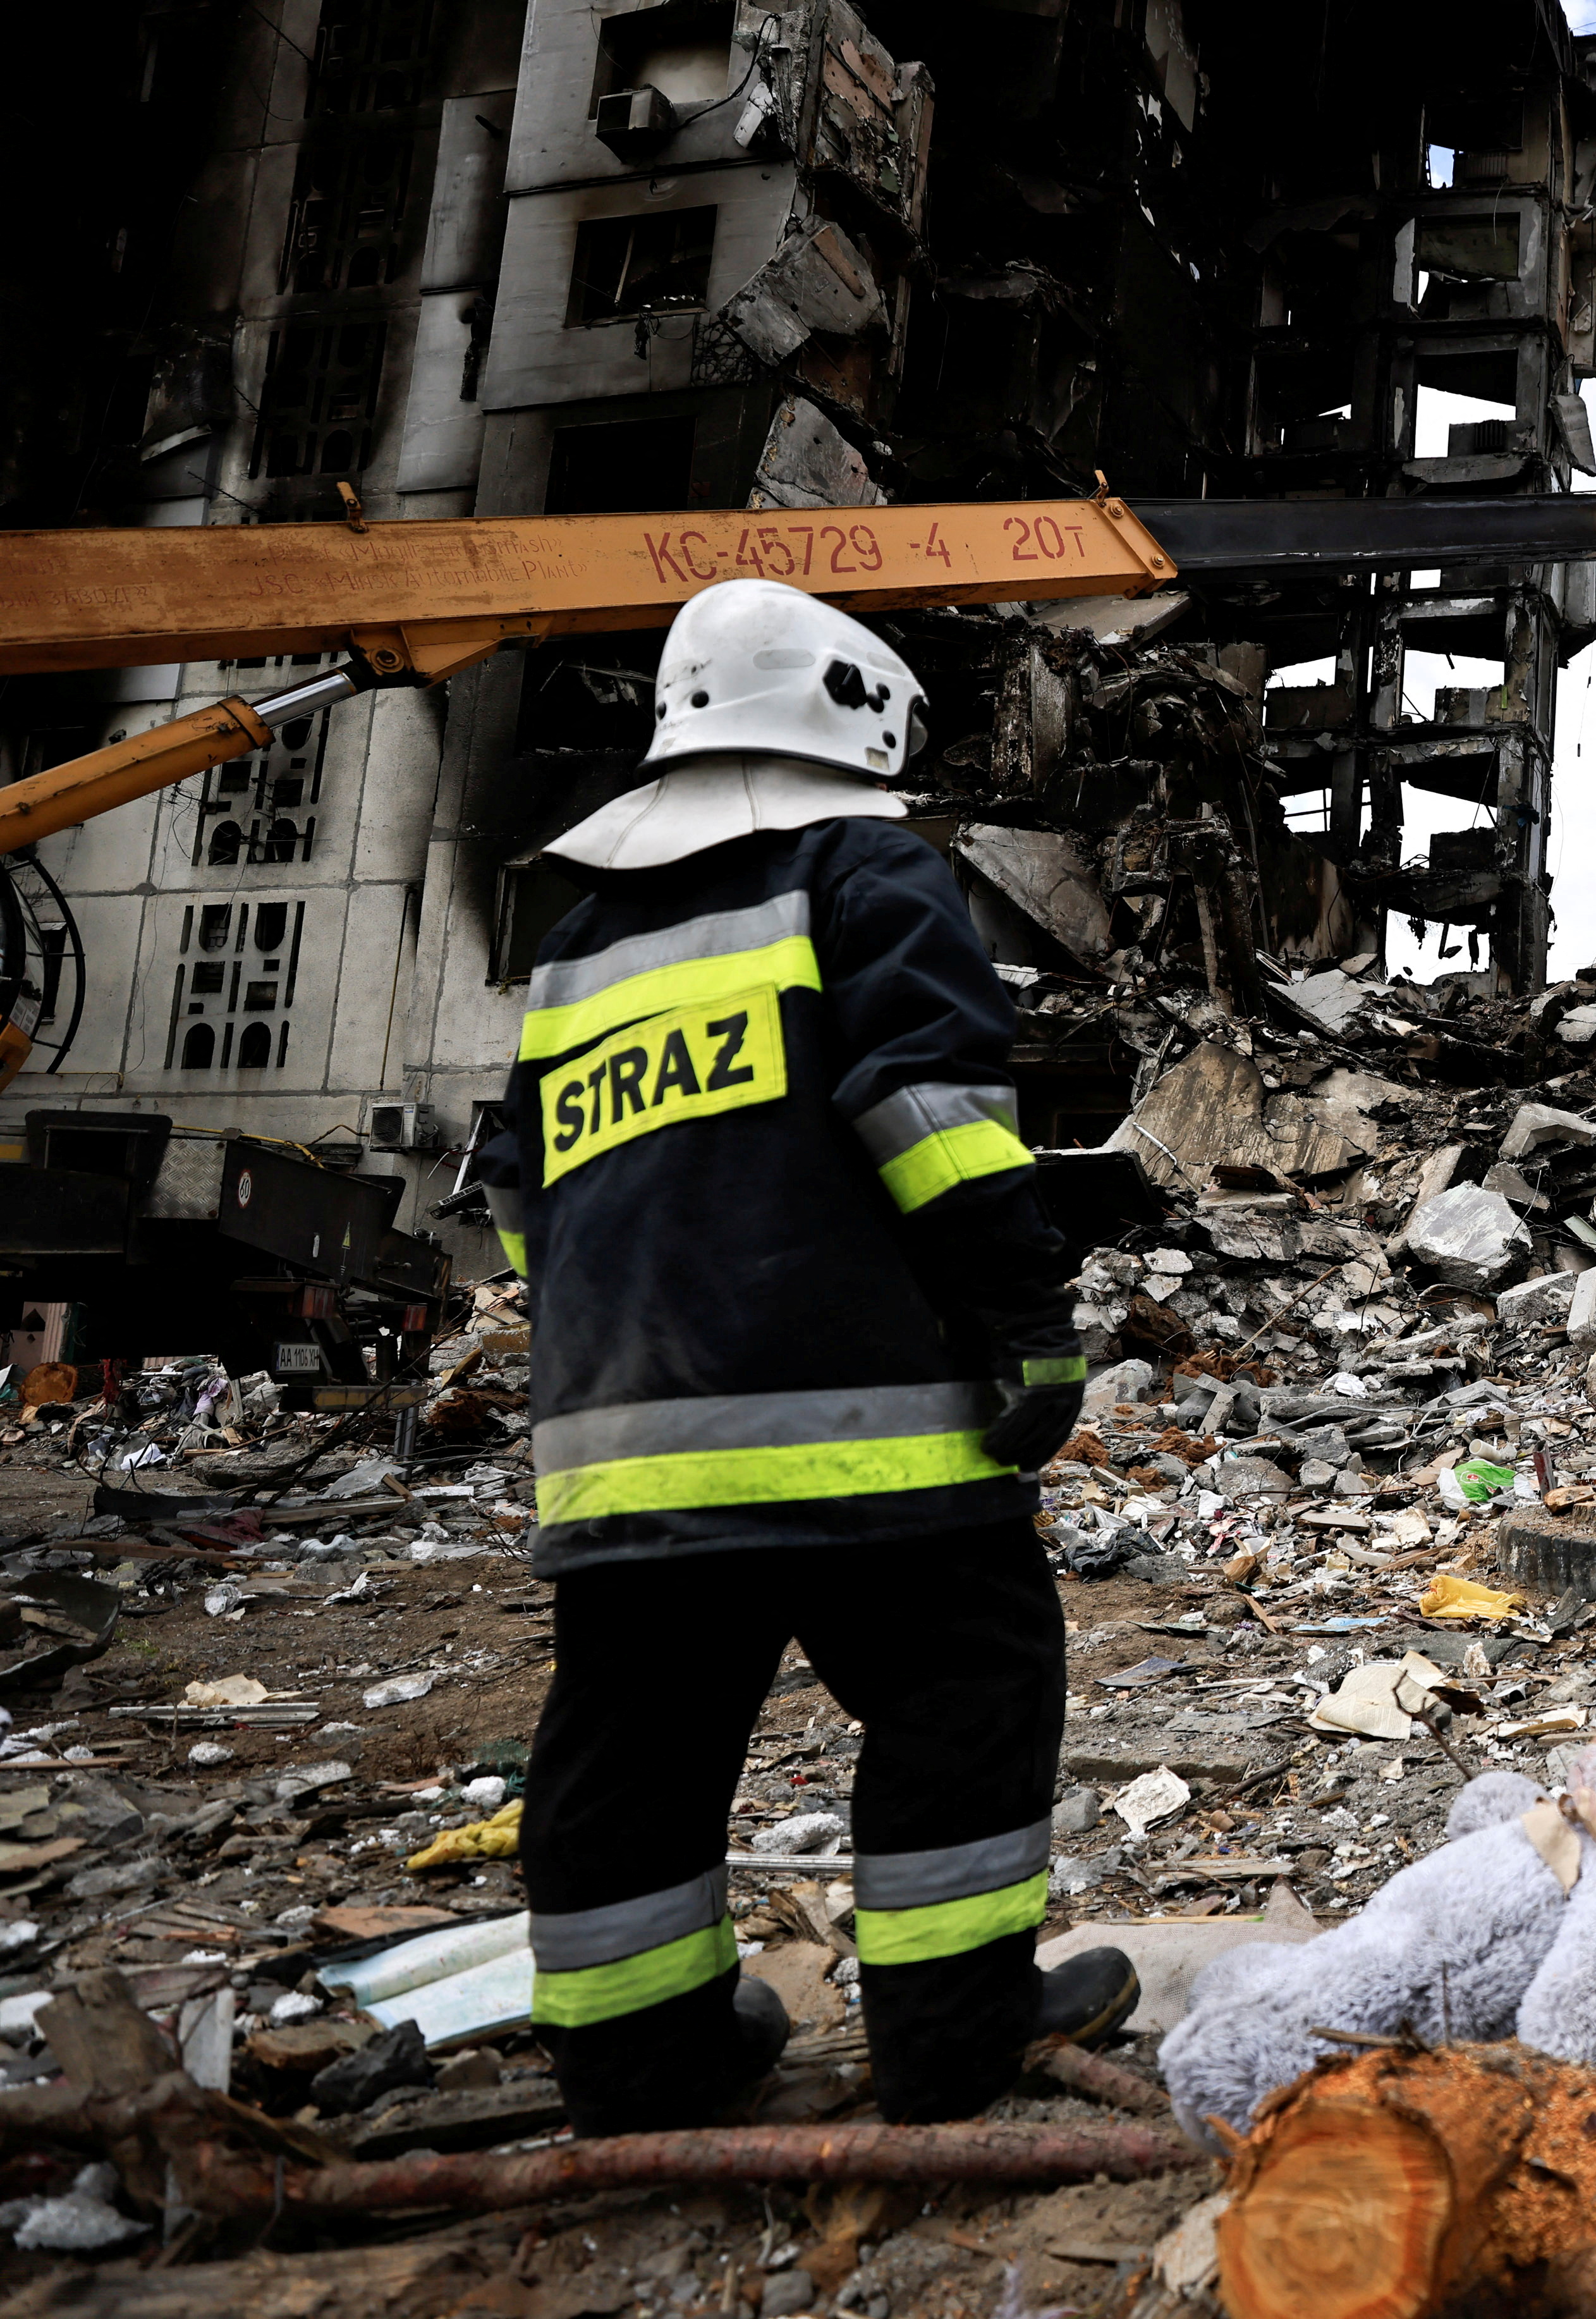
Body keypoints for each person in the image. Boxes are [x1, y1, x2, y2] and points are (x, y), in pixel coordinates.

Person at [473, 578, 1136, 2136]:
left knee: (627, 1752)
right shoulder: (863, 871)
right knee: (965, 1685)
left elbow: (516, 1198)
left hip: (623, 1455)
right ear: (858, 719)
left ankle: (639, 2070)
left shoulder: (579, 946)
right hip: (864, 1440)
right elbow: (933, 1118)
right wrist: (1025, 1327)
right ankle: (945, 2032)